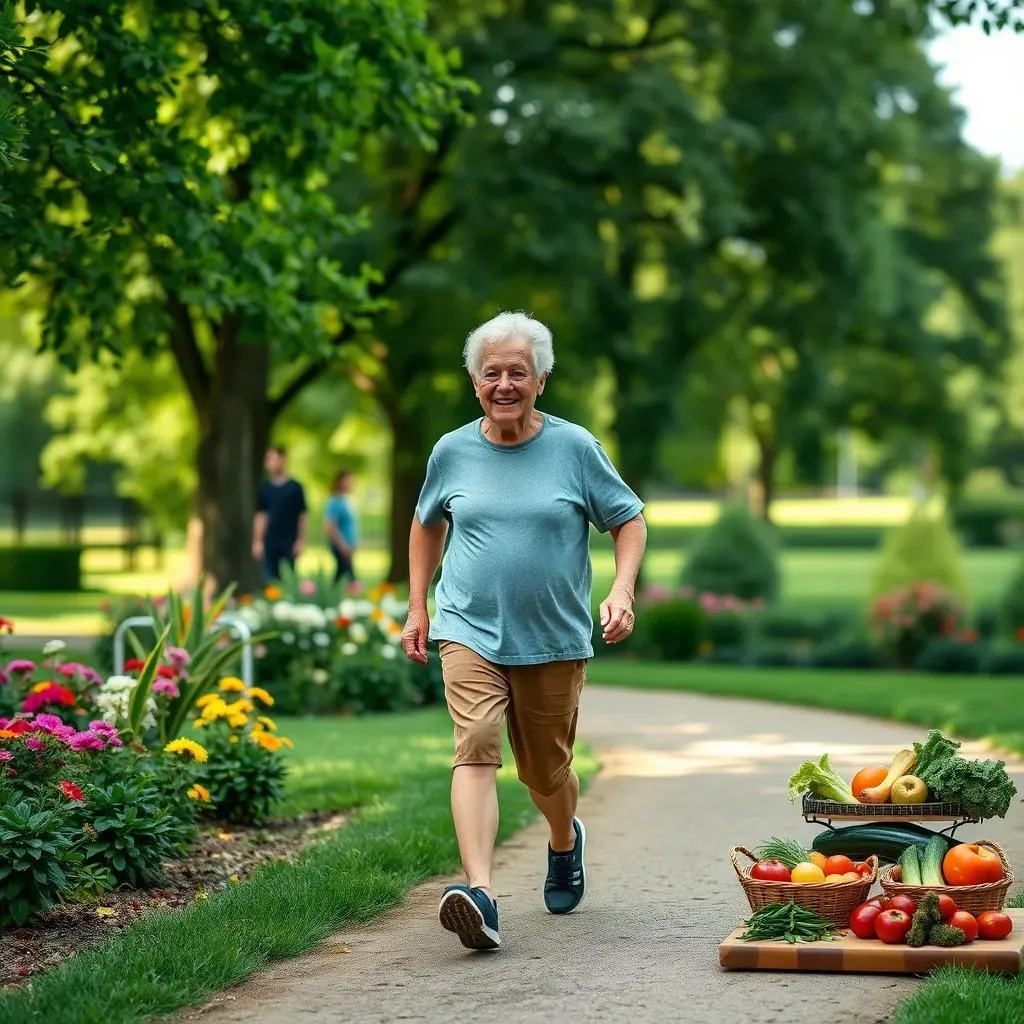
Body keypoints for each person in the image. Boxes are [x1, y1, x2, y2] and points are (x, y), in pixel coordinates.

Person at [401, 311, 647, 952]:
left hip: (552, 637)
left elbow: (628, 520)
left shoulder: (574, 448)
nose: (504, 383)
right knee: (476, 741)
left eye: (518, 372)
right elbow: (427, 523)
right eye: (491, 373)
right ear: (474, 383)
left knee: (546, 772)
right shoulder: (451, 451)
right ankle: (479, 893)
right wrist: (418, 604)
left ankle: (565, 840)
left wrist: (621, 590)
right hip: (468, 626)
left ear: (540, 380)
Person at [252, 446, 308, 583]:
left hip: (289, 540)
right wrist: (257, 541)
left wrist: (300, 540)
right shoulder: (265, 488)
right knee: (269, 579)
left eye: (272, 458)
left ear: (282, 459)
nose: (269, 463)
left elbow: (302, 515)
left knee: (288, 578)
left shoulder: (295, 488)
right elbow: (261, 515)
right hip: (270, 540)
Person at [324, 468, 358, 584]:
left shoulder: (348, 501)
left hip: (349, 545)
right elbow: (330, 526)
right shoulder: (335, 501)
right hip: (341, 546)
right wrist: (342, 545)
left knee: (342, 574)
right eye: (348, 480)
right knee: (347, 574)